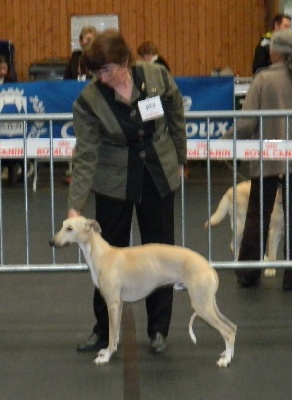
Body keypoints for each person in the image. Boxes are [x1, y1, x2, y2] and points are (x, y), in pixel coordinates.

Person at [67, 29, 187, 353]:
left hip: (157, 175)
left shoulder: (157, 76)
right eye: (95, 72)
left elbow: (175, 114)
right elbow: (86, 154)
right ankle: (103, 331)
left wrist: (180, 157)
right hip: (113, 182)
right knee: (105, 259)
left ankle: (159, 330)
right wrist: (75, 206)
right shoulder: (89, 101)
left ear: (125, 60)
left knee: (160, 254)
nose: (101, 78)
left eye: (106, 69)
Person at [224, 29, 292, 290]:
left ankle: (249, 272)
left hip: (268, 157)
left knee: (257, 215)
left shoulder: (263, 79)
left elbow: (247, 121)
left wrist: (224, 141)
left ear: (275, 52)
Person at [63, 26, 98, 184]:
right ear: (80, 41)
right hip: (75, 101)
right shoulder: (74, 58)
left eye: (92, 39)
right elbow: (66, 80)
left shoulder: (99, 57)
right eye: (86, 39)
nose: (89, 41)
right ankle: (74, 170)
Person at [0, 55, 22, 185]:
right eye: (0, 68)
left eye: (5, 68)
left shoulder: (11, 82)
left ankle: (12, 172)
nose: (3, 71)